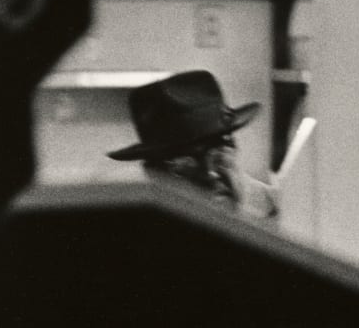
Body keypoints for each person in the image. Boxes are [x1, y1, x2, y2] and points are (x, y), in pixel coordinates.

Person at [107, 70, 279, 221]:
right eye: (184, 166)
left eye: (219, 157)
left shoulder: (282, 207)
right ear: (153, 174)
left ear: (233, 147)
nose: (210, 174)